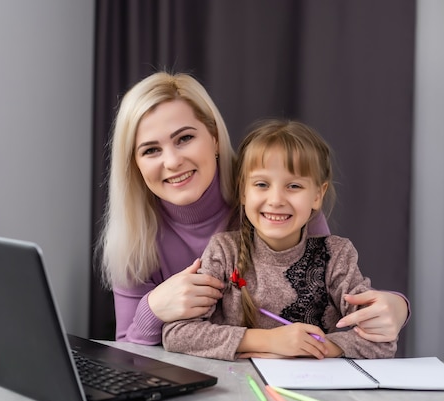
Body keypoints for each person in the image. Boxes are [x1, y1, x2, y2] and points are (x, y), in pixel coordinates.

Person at [97, 71, 409, 346]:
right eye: (151, 150)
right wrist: (153, 308)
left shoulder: (275, 205)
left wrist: (398, 306)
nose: (172, 161)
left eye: (185, 138)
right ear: (134, 164)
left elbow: (337, 296)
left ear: (215, 138)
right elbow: (127, 352)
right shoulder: (135, 237)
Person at [162, 119, 397, 360]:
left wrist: (314, 346)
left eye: (294, 186)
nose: (276, 199)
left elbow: (382, 341)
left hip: (314, 390)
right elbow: (176, 333)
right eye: (262, 184)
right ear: (243, 191)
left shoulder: (336, 255)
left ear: (318, 195)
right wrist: (270, 342)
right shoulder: (224, 252)